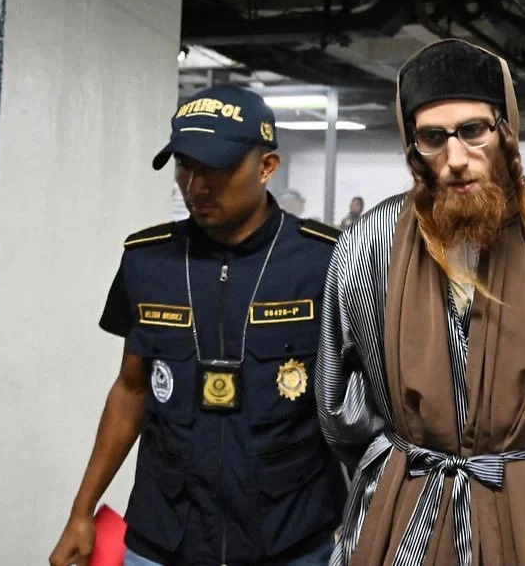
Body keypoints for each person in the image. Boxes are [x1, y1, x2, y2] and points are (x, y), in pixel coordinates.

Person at [315, 39, 525, 565]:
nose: (455, 159)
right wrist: (401, 463)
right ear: (414, 148)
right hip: (404, 506)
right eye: (433, 138)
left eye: (473, 131)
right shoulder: (369, 243)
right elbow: (337, 403)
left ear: (505, 132)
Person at [49, 85, 347, 566]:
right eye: (186, 166)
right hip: (165, 535)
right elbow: (130, 390)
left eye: (218, 168)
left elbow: (364, 402)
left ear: (267, 167)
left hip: (289, 538)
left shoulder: (326, 260)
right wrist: (81, 513)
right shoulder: (148, 261)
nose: (197, 186)